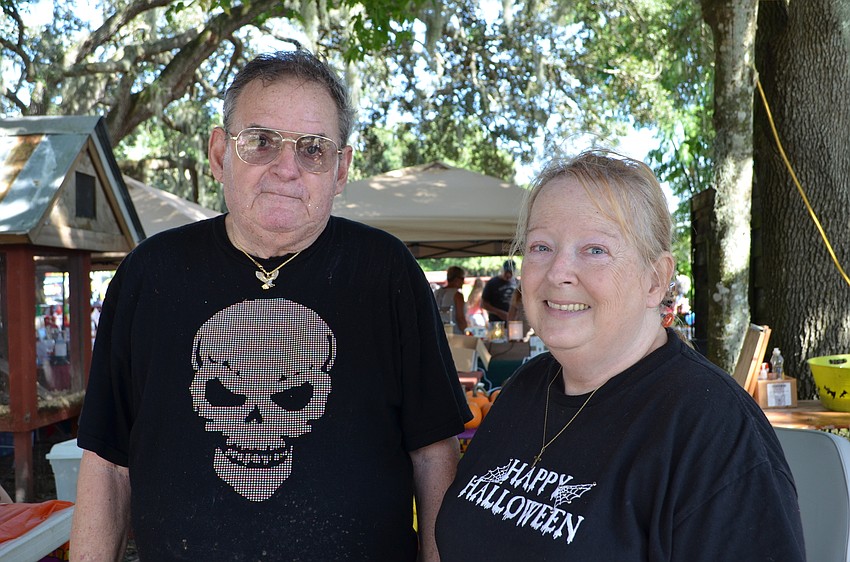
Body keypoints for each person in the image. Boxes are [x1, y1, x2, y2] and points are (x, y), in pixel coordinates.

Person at [71, 49, 470, 561]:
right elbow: (107, 463)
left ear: (341, 169)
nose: (287, 169)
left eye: (313, 149)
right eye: (261, 142)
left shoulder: (386, 273)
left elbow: (434, 454)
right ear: (219, 154)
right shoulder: (148, 277)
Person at [435, 149, 804, 559]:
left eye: (595, 249)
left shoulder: (715, 432)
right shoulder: (525, 386)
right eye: (541, 246)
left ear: (655, 280)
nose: (558, 271)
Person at [434, 266, 468, 334]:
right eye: (462, 278)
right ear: (456, 279)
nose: (463, 282)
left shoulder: (436, 292)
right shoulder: (457, 295)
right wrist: (466, 331)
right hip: (454, 334)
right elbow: (460, 318)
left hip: (438, 332)